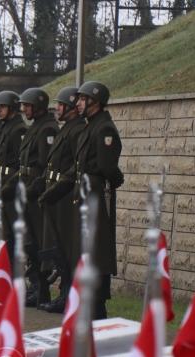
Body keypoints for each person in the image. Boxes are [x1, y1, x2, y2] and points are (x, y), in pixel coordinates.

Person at [73, 81, 123, 319]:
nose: (78, 103)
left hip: (96, 192)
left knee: (98, 248)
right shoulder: (91, 126)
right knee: (89, 247)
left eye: (83, 99)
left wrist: (117, 178)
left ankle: (98, 304)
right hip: (86, 191)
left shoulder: (104, 129)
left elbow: (105, 166)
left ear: (96, 101)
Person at [38, 87, 87, 313]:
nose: (56, 108)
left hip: (66, 196)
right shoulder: (67, 129)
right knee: (58, 247)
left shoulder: (77, 130)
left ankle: (67, 295)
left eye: (60, 104)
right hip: (57, 193)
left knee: (66, 247)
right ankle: (63, 293)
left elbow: (75, 165)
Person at [15, 88, 59, 308]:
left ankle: (41, 290)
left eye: (27, 105)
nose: (23, 109)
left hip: (36, 194)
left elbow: (44, 166)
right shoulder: (35, 128)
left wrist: (33, 189)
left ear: (38, 106)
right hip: (27, 192)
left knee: (38, 243)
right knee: (29, 242)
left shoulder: (48, 129)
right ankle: (34, 287)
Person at [0, 91, 27, 275]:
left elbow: (20, 162)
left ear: (12, 108)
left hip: (11, 189)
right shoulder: (4, 128)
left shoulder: (18, 129)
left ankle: (14, 276)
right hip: (1, 185)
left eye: (2, 107)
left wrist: (8, 185)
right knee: (3, 236)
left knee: (12, 237)